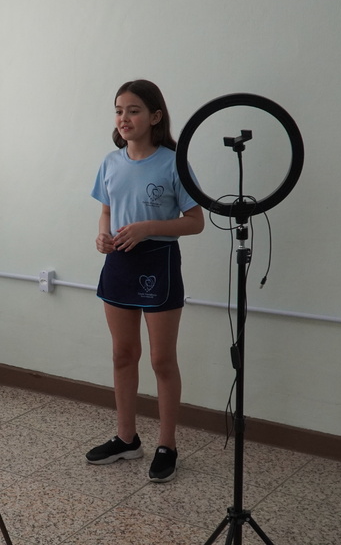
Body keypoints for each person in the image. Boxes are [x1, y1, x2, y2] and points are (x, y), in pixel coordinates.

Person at [86, 80, 205, 483]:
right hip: (119, 263)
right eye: (119, 110)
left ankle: (167, 444)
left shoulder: (174, 162)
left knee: (161, 360)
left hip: (159, 263)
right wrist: (103, 235)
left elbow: (195, 222)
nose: (124, 118)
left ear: (155, 117)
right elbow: (106, 211)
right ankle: (126, 439)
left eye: (133, 110)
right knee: (123, 354)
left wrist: (148, 229)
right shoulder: (110, 162)